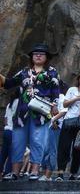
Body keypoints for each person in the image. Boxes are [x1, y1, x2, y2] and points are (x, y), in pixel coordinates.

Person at [0, 43, 60, 181]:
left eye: (41, 54)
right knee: (17, 142)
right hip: (22, 112)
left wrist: (55, 105)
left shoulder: (52, 72)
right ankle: (15, 172)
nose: (38, 55)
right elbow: (8, 84)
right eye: (35, 53)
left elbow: (56, 91)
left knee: (37, 142)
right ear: (32, 57)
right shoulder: (24, 72)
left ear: (46, 57)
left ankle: (34, 171)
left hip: (41, 113)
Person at [56, 70, 80, 181]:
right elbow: (64, 104)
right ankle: (60, 172)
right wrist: (76, 98)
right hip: (69, 121)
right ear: (78, 79)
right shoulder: (72, 90)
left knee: (78, 149)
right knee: (63, 146)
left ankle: (73, 173)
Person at [40, 89, 66, 181]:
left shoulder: (61, 96)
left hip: (56, 127)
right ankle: (45, 174)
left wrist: (54, 120)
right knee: (45, 150)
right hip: (49, 126)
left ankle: (48, 175)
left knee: (52, 151)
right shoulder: (49, 97)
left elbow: (64, 111)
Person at [0, 93, 18, 177]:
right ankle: (7, 172)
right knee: (12, 153)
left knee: (3, 153)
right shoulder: (19, 102)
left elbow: (5, 120)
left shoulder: (8, 105)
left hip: (6, 130)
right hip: (13, 131)